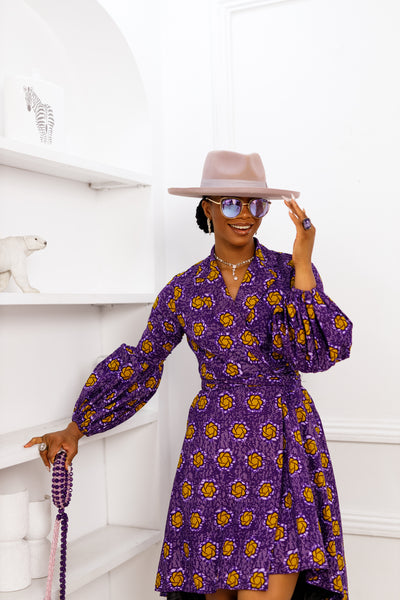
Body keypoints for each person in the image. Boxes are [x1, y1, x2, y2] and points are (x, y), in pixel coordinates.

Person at [25, 151, 352, 600]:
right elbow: (144, 362)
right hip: (212, 455)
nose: (246, 216)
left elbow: (316, 353)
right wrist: (76, 427)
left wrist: (302, 262)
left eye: (256, 205)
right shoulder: (183, 289)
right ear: (207, 208)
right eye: (232, 204)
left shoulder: (289, 272)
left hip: (283, 446)